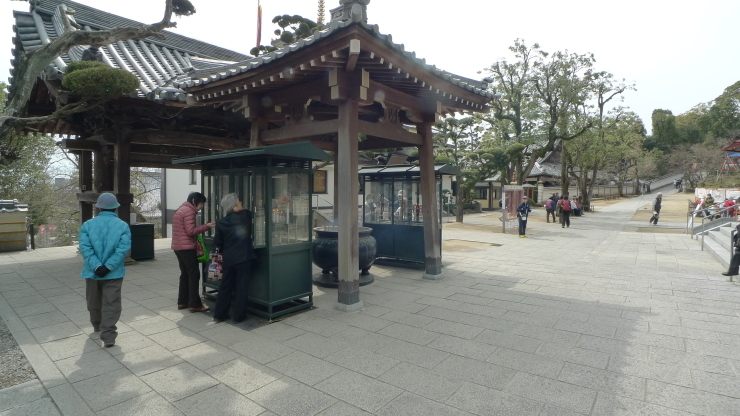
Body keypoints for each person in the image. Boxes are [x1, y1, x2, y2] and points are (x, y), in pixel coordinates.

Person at [78, 193, 131, 348]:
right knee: (111, 302)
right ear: (116, 208)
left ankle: (96, 325)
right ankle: (108, 336)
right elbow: (123, 250)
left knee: (93, 300)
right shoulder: (122, 226)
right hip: (114, 272)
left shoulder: (87, 225)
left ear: (99, 208)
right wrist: (108, 266)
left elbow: (85, 248)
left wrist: (96, 266)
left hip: (92, 272)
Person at [213, 193, 257, 323]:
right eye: (239, 202)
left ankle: (219, 314)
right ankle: (239, 316)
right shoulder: (245, 217)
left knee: (225, 286)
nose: (241, 203)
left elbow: (218, 242)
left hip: (228, 258)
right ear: (233, 207)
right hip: (243, 258)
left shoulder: (221, 222)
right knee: (241, 287)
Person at [172, 192, 215, 312]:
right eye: (201, 204)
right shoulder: (189, 211)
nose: (201, 206)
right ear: (194, 201)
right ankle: (195, 304)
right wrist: (206, 226)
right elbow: (190, 231)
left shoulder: (180, 209)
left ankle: (183, 302)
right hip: (187, 248)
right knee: (194, 274)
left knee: (185, 274)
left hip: (178, 247)